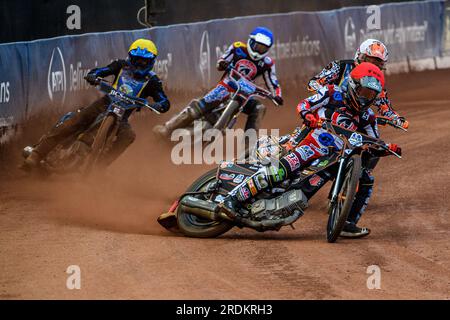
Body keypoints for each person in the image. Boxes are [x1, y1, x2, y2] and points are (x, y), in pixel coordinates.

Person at [217, 62, 401, 238]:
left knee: (366, 177)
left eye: (370, 95)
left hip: (335, 158)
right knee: (280, 170)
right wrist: (308, 115)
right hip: (310, 145)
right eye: (363, 92)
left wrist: (384, 148)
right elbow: (304, 105)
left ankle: (347, 223)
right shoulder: (332, 93)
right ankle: (233, 199)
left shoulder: (367, 116)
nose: (364, 98)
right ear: (352, 85)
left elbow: (374, 140)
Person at [22, 39, 170, 169]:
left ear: (151, 62)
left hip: (123, 117)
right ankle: (36, 154)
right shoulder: (121, 66)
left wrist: (159, 105)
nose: (139, 63)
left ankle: (100, 167)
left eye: (143, 61)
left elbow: (164, 100)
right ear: (130, 58)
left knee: (129, 136)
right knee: (75, 121)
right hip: (103, 104)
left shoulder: (153, 81)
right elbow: (102, 70)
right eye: (136, 59)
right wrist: (94, 76)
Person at [153, 26, 283, 138]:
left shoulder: (267, 63)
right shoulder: (237, 48)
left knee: (259, 108)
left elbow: (273, 82)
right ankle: (168, 128)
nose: (259, 50)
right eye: (257, 46)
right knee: (199, 106)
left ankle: (249, 146)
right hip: (227, 86)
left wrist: (277, 95)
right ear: (251, 41)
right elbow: (221, 61)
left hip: (245, 95)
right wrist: (223, 64)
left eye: (263, 48)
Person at [308, 39, 408, 129]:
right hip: (327, 113)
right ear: (360, 56)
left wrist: (396, 119)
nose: (372, 66)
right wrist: (328, 94)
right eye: (370, 61)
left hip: (354, 118)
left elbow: (384, 107)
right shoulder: (341, 66)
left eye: (378, 64)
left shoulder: (376, 81)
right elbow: (314, 82)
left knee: (370, 144)